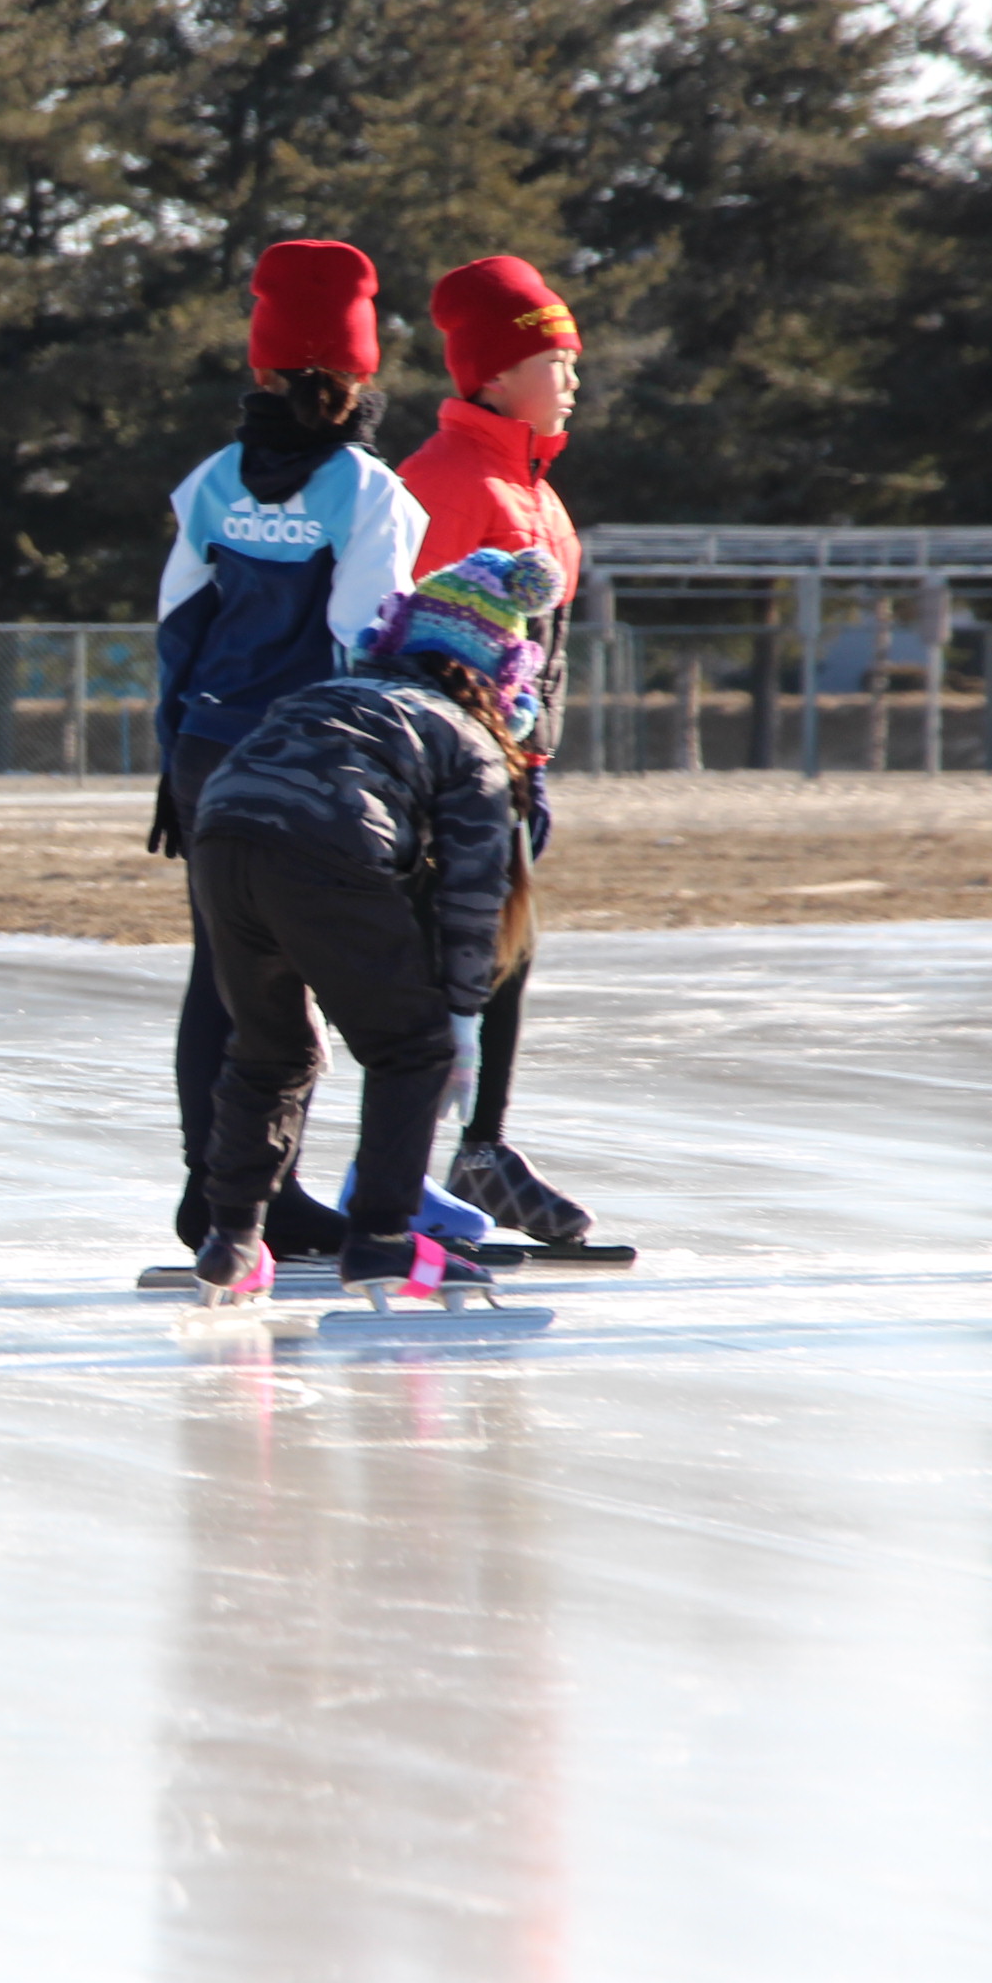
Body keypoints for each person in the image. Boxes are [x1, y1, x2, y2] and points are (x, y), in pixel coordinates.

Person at [185, 550, 562, 1311]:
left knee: (271, 1049)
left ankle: (233, 1237)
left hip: (223, 834)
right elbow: (471, 897)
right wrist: (458, 1018)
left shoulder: (334, 691)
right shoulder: (467, 738)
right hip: (325, 843)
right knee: (409, 1048)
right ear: (495, 674)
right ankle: (384, 1237)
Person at [148, 238, 428, 1260]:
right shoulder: (370, 492)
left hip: (207, 750)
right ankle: (280, 1190)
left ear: (260, 369)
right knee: (297, 980)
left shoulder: (210, 482)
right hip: (310, 762)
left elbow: (179, 626)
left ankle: (210, 1190)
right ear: (359, 377)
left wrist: (174, 758)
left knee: (218, 972)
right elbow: (369, 637)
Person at [394, 256, 602, 1248]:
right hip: (449, 772)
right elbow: (406, 641)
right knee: (445, 967)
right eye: (555, 355)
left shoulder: (534, 488)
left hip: (514, 767)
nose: (574, 371)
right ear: (492, 375)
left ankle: (480, 1147)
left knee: (503, 956)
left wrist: (534, 768)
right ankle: (402, 1165)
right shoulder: (445, 482)